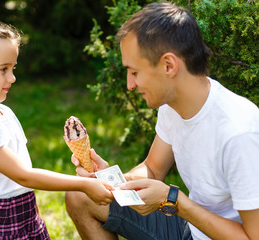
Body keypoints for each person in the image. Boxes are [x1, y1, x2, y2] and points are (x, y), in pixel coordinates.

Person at [65, 2, 259, 240]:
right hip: (190, 227)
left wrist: (174, 201)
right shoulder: (172, 105)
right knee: (81, 195)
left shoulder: (239, 132)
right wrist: (111, 181)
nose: (130, 84)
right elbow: (154, 168)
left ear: (169, 65)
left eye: (134, 72)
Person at [0, 13, 114, 239]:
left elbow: (23, 178)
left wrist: (36, 218)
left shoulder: (4, 112)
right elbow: (23, 175)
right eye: (3, 69)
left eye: (13, 68)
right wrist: (83, 184)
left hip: (26, 214)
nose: (12, 78)